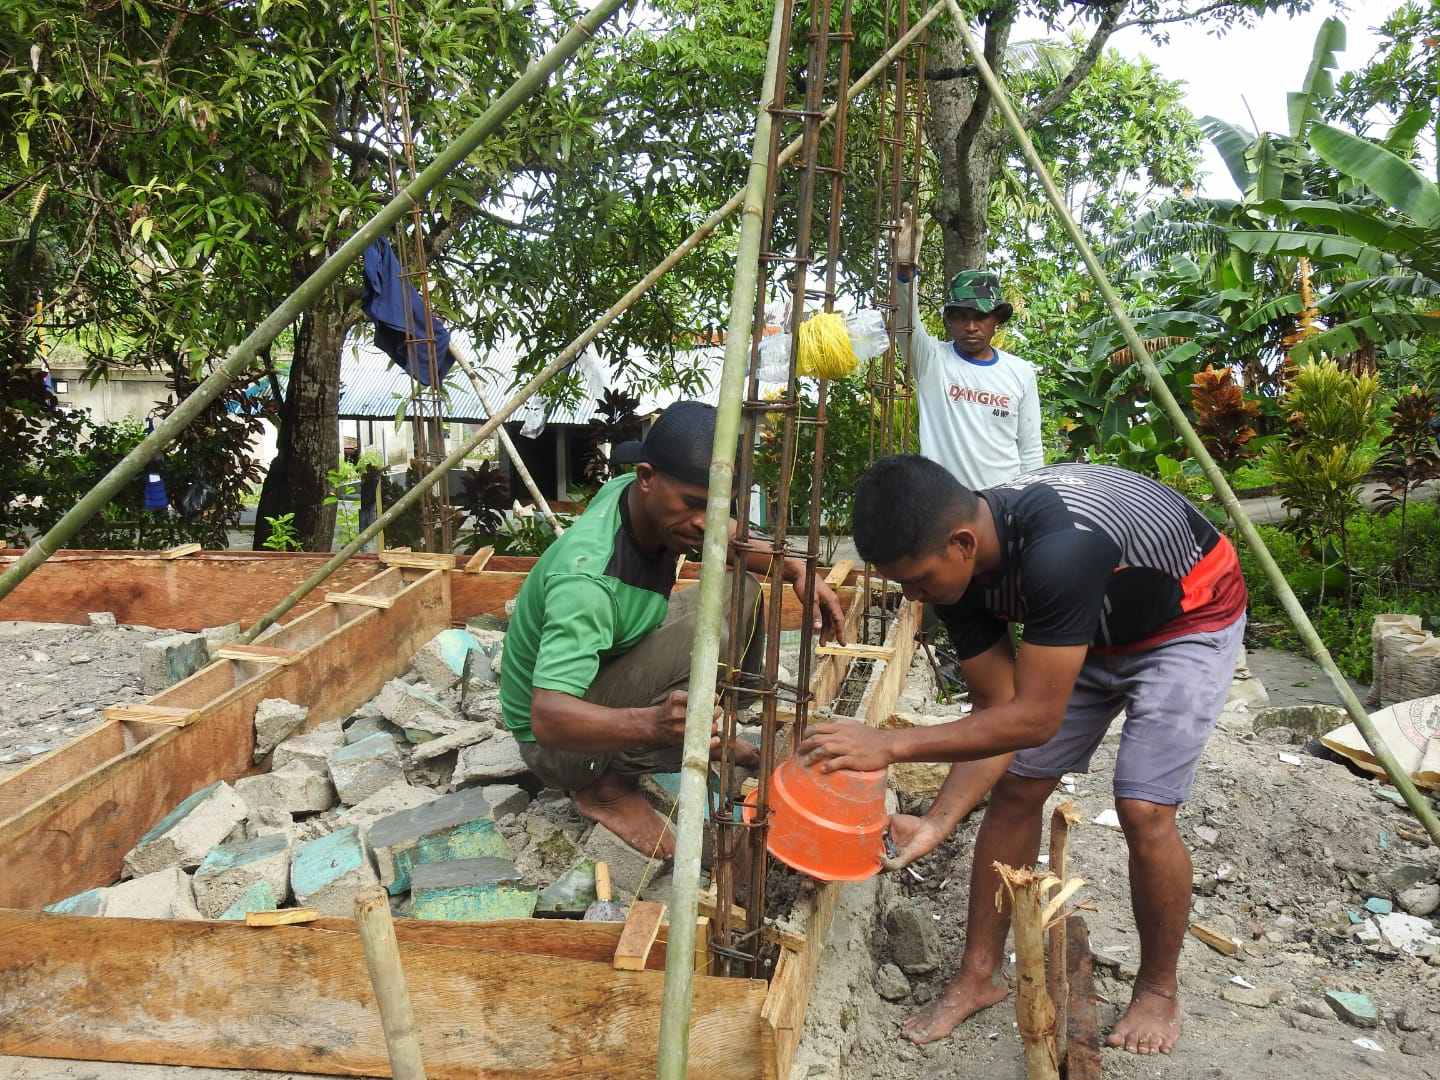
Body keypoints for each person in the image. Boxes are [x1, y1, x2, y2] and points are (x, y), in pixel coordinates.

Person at [799, 455, 1248, 1057]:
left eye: (919, 581)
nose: (913, 596)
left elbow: (1034, 719)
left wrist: (889, 744)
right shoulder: (955, 573)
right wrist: (939, 818)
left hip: (1186, 619)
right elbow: (997, 712)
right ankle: (977, 975)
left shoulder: (1060, 550)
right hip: (1084, 627)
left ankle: (1158, 990)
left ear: (962, 543)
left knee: (1142, 807)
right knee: (1015, 788)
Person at [498, 400, 846, 859]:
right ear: (647, 478)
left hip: (609, 667)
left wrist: (795, 567)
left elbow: (728, 533)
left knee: (738, 588)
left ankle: (720, 723)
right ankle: (606, 788)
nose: (706, 522)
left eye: (717, 507)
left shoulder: (642, 499)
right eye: (694, 505)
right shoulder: (586, 582)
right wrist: (652, 724)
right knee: (708, 642)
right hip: (558, 746)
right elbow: (547, 717)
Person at [896, 210, 1043, 491]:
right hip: (945, 505)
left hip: (1002, 507)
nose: (971, 326)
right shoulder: (932, 362)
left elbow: (1031, 450)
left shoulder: (1020, 372)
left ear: (996, 319)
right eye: (961, 317)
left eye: (981, 316)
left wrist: (1029, 505)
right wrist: (904, 274)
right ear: (949, 321)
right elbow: (904, 320)